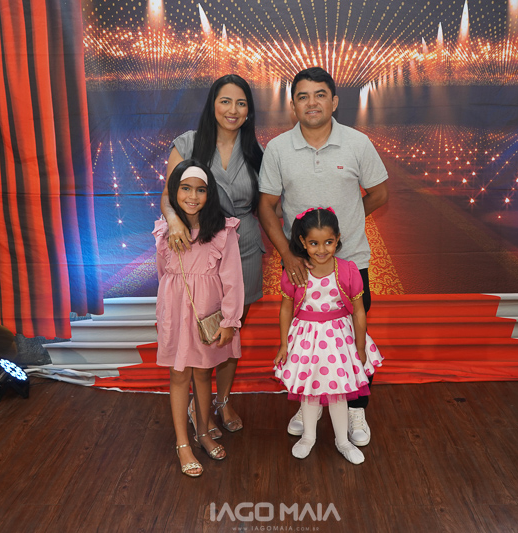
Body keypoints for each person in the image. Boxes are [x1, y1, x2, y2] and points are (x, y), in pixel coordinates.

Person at [258, 67, 389, 446]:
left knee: (351, 336)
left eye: (319, 95)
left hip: (352, 262)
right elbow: (266, 206)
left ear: (334, 101)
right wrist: (290, 253)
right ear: (293, 105)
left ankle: (356, 407)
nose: (311, 103)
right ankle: (309, 405)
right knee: (307, 340)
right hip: (300, 267)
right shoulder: (278, 149)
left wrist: (342, 229)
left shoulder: (358, 143)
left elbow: (379, 194)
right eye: (302, 96)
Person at [162, 74, 264, 438]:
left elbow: (268, 203)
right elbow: (168, 196)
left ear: (249, 110)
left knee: (228, 330)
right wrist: (175, 221)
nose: (232, 110)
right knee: (197, 331)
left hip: (243, 248)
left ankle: (222, 401)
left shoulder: (256, 152)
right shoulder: (189, 143)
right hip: (198, 250)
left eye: (241, 103)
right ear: (212, 104)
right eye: (225, 101)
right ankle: (196, 404)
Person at [154, 160, 244, 477]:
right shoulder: (164, 231)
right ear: (175, 191)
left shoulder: (222, 232)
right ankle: (183, 443)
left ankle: (203, 431)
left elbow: (233, 279)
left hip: (207, 314)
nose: (193, 196)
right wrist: (164, 315)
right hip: (175, 314)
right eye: (185, 188)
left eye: (200, 190)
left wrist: (229, 321)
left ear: (210, 193)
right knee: (179, 375)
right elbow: (163, 275)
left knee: (204, 374)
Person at [273, 208, 383, 464]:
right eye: (314, 243)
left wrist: (360, 346)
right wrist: (283, 344)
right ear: (303, 242)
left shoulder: (347, 270)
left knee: (339, 393)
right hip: (306, 339)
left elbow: (358, 311)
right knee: (309, 392)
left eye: (328, 242)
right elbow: (286, 308)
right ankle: (308, 437)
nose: (321, 249)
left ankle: (342, 441)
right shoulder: (296, 271)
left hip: (338, 340)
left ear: (338, 239)